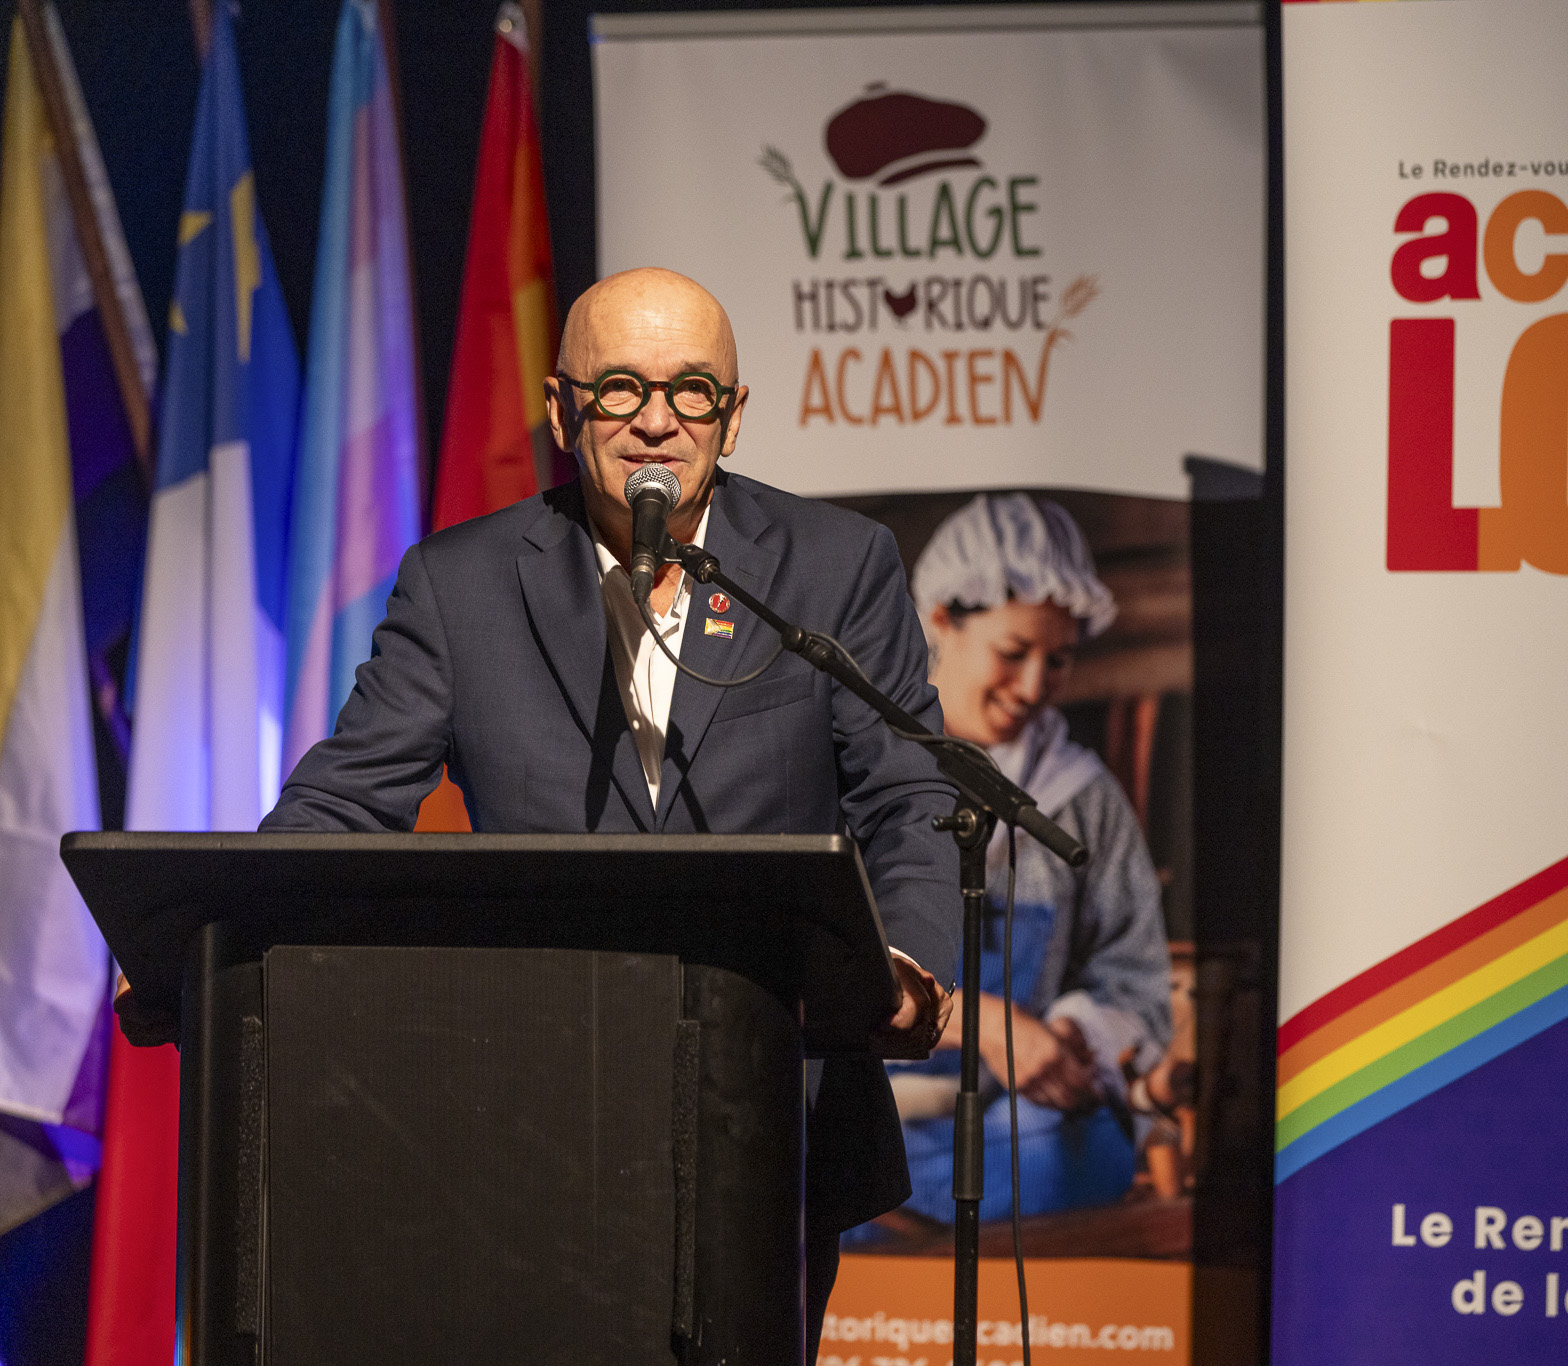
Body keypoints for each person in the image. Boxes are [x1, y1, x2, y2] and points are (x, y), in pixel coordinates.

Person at [253, 268, 957, 1357]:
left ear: (733, 414)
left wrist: (904, 958)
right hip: (530, 1105)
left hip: (777, 1103)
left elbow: (909, 790)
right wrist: (210, 927)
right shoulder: (461, 582)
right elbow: (346, 795)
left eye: (691, 392)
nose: (656, 421)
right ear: (560, 407)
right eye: (619, 387)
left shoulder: (832, 567)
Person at [875, 493, 1173, 1226]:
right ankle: (883, 1194)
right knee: (808, 1136)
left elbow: (1133, 976)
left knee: (1089, 1147)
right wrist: (990, 1027)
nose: (1036, 686)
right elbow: (818, 963)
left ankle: (877, 1210)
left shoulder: (1082, 799)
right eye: (1014, 654)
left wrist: (1074, 1035)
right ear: (940, 618)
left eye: (1059, 660)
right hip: (869, 1103)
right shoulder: (866, 765)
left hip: (1008, 1122)